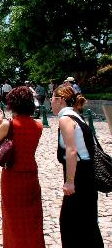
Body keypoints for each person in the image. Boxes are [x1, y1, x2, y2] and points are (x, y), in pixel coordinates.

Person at [0, 86, 45, 247]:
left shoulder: (8, 125)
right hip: (31, 175)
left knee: (13, 219)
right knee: (32, 218)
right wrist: (2, 122)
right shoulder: (38, 126)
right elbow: (17, 131)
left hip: (12, 175)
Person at [51, 85, 103, 247]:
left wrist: (70, 181)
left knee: (70, 224)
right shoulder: (78, 117)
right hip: (88, 175)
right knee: (88, 224)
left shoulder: (65, 119)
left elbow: (72, 151)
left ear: (60, 100)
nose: (50, 102)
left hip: (79, 177)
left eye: (52, 98)